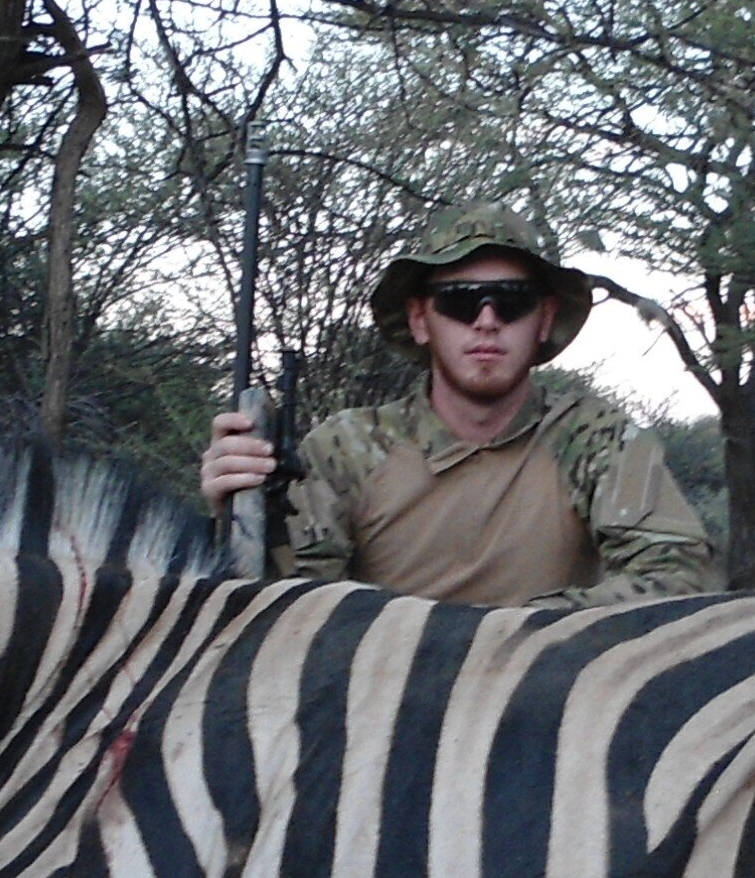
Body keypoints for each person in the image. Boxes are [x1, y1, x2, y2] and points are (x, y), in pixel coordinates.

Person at [199, 204, 717, 607]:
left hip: (550, 705)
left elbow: (676, 578)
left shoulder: (597, 438)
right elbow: (287, 609)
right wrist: (240, 516)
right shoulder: (345, 450)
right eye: (460, 301)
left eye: (511, 300)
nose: (487, 321)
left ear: (544, 318)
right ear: (422, 319)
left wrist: (506, 636)